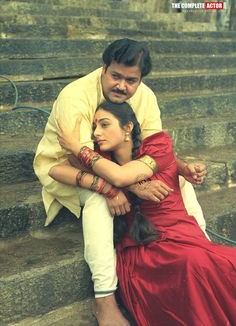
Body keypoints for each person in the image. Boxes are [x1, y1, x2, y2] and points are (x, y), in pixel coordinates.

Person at [33, 38, 207, 326]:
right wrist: (120, 187)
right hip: (68, 168)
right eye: (115, 76)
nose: (122, 86)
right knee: (101, 200)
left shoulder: (145, 95)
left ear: (140, 79)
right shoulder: (73, 96)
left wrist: (182, 168)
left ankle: (201, 247)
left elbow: (153, 146)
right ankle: (104, 301)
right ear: (104, 68)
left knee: (179, 181)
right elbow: (77, 157)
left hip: (122, 167)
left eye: (131, 80)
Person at [50, 101, 236, 326]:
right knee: (193, 263)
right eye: (94, 127)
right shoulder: (102, 161)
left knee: (221, 263)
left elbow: (122, 176)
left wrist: (77, 146)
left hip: (182, 237)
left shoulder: (158, 145)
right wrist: (106, 187)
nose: (97, 133)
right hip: (142, 251)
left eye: (104, 125)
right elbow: (55, 169)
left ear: (127, 128)